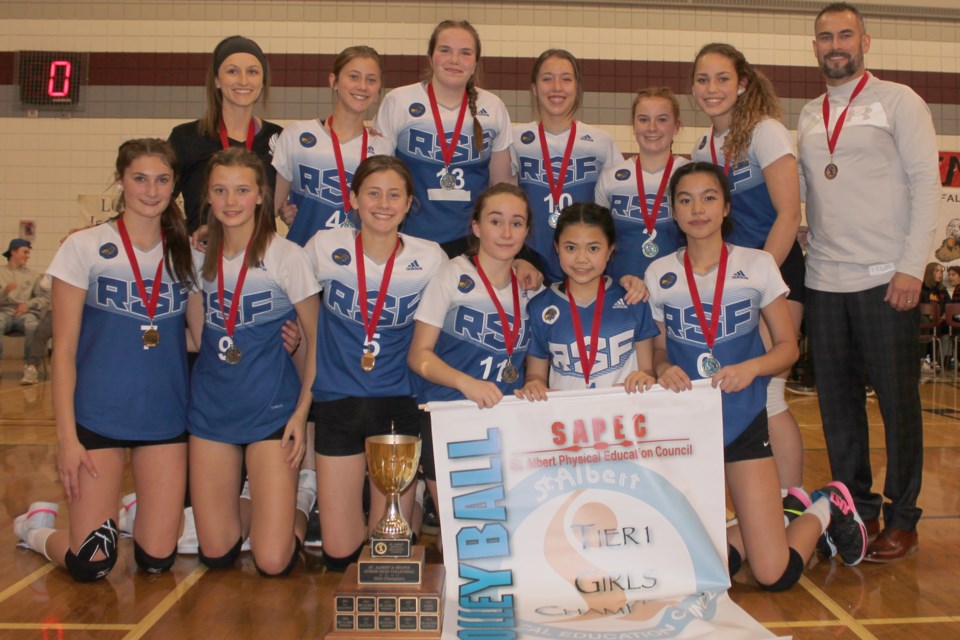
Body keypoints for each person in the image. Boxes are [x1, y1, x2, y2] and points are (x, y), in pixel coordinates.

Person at [646, 162, 866, 589]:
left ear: (726, 206)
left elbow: (787, 347)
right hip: (688, 428)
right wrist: (662, 366)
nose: (697, 209)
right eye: (685, 200)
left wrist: (752, 368)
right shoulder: (660, 275)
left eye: (709, 198)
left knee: (773, 574)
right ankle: (773, 517)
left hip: (743, 420)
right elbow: (656, 348)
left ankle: (826, 506)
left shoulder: (759, 263)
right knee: (701, 570)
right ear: (673, 211)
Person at [13, 138, 199, 581]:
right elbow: (64, 353)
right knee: (90, 563)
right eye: (139, 179)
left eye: (161, 180)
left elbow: (197, 338)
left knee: (157, 560)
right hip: (98, 416)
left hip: (165, 417)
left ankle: (130, 513)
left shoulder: (188, 254)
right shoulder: (85, 247)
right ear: (120, 180)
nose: (151, 190)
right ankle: (34, 528)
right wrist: (67, 440)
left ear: (175, 186)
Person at [798, 2, 941, 562]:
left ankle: (903, 516)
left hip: (887, 278)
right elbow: (816, 180)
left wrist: (913, 267)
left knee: (897, 404)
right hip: (825, 279)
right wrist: (809, 222)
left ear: (865, 42)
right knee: (837, 406)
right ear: (814, 47)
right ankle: (856, 507)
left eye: (845, 35)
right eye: (825, 37)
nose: (835, 45)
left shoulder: (899, 101)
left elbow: (926, 187)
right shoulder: (808, 113)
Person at [303, 156, 446, 570]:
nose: (383, 203)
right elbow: (286, 286)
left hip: (398, 401)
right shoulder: (325, 247)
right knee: (340, 554)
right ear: (353, 199)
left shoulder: (430, 257)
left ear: (408, 204)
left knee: (389, 544)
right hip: (337, 400)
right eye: (373, 193)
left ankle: (411, 502)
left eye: (394, 195)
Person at [187, 148, 319, 576]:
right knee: (218, 552)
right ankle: (256, 505)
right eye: (220, 190)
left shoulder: (287, 257)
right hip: (212, 412)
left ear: (261, 195)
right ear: (207, 196)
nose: (231, 201)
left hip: (272, 413)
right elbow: (197, 336)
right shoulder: (195, 260)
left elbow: (317, 340)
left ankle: (297, 501)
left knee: (272, 560)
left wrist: (301, 414)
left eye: (242, 190)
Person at [689, 42, 806, 493]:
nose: (712, 88)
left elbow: (788, 216)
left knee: (769, 392)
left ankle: (792, 500)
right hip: (730, 287)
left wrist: (759, 286)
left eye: (722, 78)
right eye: (702, 79)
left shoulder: (766, 131)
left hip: (773, 275)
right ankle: (755, 501)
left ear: (741, 84)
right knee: (735, 392)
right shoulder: (703, 146)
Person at [408, 183, 536, 530]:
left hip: (505, 422)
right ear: (476, 227)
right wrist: (466, 384)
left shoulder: (530, 287)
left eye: (517, 222)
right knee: (463, 533)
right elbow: (419, 355)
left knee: (507, 532)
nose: (507, 232)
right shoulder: (451, 275)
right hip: (450, 415)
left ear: (527, 230)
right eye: (496, 221)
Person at [373, 20, 513, 258]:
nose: (454, 60)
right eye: (445, 50)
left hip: (473, 243)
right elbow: (376, 177)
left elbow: (503, 188)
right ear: (430, 57)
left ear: (476, 62)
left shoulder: (493, 107)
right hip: (408, 238)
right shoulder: (399, 102)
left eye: (465, 53)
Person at [516, 203, 659, 396]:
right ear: (557, 247)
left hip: (626, 419)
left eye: (593, 248)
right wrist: (534, 385)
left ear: (610, 250)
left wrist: (646, 376)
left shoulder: (632, 298)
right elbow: (535, 375)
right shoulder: (540, 307)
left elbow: (648, 370)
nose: (581, 258)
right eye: (571, 247)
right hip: (567, 421)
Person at [511, 49, 622, 283]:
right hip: (530, 261)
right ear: (533, 87)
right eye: (547, 78)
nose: (557, 87)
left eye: (566, 79)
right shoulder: (516, 139)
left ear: (578, 88)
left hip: (584, 261)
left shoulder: (600, 142)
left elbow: (613, 208)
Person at [272, 46, 394, 245]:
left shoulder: (383, 148)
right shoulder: (296, 135)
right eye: (353, 77)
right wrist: (286, 211)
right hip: (303, 257)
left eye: (371, 80)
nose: (362, 86)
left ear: (379, 89)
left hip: (357, 264)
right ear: (333, 81)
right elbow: (274, 206)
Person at [169, 35, 282, 233]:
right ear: (217, 80)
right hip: (203, 257)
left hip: (260, 258)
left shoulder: (279, 138)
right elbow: (159, 199)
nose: (243, 80)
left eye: (253, 72)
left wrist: (290, 211)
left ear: (263, 81)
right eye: (232, 71)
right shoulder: (186, 138)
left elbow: (286, 201)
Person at [596, 87, 689, 282]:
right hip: (621, 290)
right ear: (633, 125)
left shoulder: (691, 176)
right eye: (643, 119)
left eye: (662, 119)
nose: (652, 128)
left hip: (677, 290)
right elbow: (597, 238)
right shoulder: (610, 178)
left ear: (677, 126)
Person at [0, 238, 50, 384]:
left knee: (32, 326)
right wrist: (4, 292)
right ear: (13, 252)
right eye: (25, 252)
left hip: (26, 314)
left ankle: (30, 367)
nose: (28, 256)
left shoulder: (33, 275)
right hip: (4, 312)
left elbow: (45, 297)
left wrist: (27, 305)